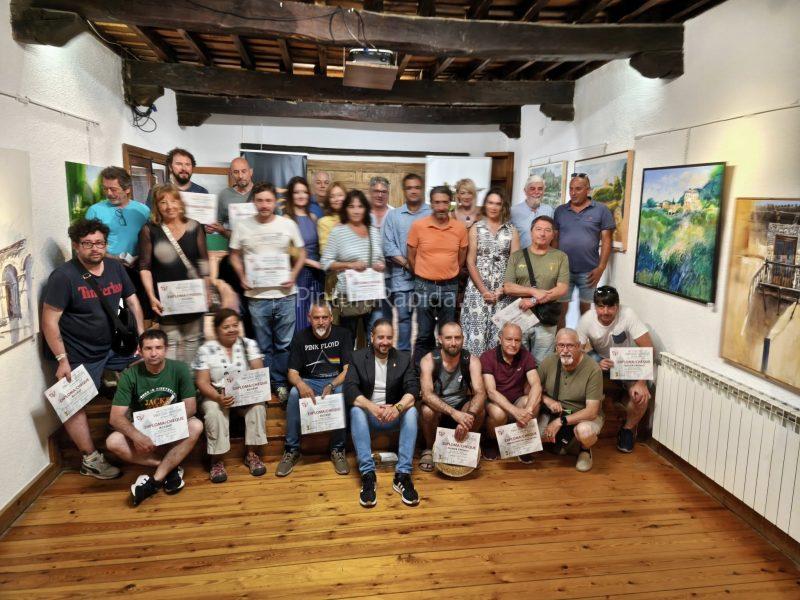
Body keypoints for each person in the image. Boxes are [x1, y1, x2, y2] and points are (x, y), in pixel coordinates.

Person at [42, 218, 145, 479]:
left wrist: (142, 338)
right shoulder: (63, 277)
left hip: (113, 346)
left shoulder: (115, 268)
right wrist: (62, 359)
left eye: (99, 243)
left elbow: (133, 302)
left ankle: (129, 428)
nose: (95, 248)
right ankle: (90, 459)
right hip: (79, 352)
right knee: (72, 401)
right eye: (87, 243)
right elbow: (49, 320)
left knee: (146, 372)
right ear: (76, 245)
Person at [229, 182, 307, 404]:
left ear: (275, 203)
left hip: (285, 294)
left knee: (284, 345)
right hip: (257, 296)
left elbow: (302, 253)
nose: (264, 205)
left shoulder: (288, 224)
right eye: (260, 200)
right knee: (263, 346)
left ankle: (280, 384)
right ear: (254, 201)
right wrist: (242, 275)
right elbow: (233, 255)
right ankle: (263, 387)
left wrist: (293, 274)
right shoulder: (242, 226)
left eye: (268, 201)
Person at [106, 329, 204, 505]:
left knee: (196, 425)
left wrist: (164, 426)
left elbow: (190, 408)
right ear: (140, 350)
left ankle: (155, 481)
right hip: (144, 428)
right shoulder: (129, 375)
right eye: (148, 348)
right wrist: (137, 436)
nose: (153, 353)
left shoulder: (180, 369)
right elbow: (115, 418)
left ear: (166, 349)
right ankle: (170, 468)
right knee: (113, 441)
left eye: (158, 348)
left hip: (173, 424)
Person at [345, 319, 420, 507]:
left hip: (393, 415)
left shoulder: (403, 358)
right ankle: (368, 475)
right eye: (380, 337)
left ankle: (403, 475)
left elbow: (413, 389)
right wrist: (372, 407)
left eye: (389, 337)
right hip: (369, 415)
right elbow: (350, 389)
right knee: (356, 411)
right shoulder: (357, 357)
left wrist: (397, 408)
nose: (385, 342)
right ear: (372, 337)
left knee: (411, 412)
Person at [277, 302, 353, 477]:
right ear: (309, 318)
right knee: (294, 394)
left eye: (325, 317)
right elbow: (292, 373)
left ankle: (338, 449)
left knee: (341, 393)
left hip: (335, 381)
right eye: (316, 318)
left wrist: (332, 385)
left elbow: (348, 370)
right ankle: (291, 450)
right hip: (309, 381)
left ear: (331, 318)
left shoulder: (343, 334)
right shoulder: (300, 337)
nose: (321, 322)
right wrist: (301, 384)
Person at [192, 308, 268, 482]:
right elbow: (202, 382)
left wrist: (251, 391)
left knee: (258, 406)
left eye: (235, 325)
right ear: (217, 329)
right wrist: (218, 397)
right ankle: (217, 460)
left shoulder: (249, 344)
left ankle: (252, 455)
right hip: (216, 394)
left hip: (245, 392)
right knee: (213, 412)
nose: (232, 329)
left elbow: (259, 373)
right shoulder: (205, 349)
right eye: (226, 327)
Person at [576, 285, 654, 453]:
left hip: (625, 360)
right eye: (601, 307)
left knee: (641, 396)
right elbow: (577, 353)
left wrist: (641, 382)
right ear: (594, 307)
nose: (605, 312)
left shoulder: (628, 314)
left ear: (617, 306)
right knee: (585, 368)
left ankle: (627, 429)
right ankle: (588, 420)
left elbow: (648, 348)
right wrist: (595, 365)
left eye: (610, 307)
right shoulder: (586, 319)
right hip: (599, 358)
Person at [138, 183, 209, 365]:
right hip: (166, 300)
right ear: (157, 206)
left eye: (173, 201)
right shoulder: (150, 230)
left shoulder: (195, 226)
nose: (169, 206)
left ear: (180, 202)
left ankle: (189, 382)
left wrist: (207, 290)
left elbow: (203, 263)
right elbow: (144, 266)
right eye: (163, 202)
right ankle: (173, 382)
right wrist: (151, 296)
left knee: (193, 344)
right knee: (170, 346)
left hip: (193, 298)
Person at [407, 186, 469, 365]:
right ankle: (418, 373)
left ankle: (443, 373)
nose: (441, 207)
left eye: (444, 202)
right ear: (431, 203)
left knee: (447, 334)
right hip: (423, 285)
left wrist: (448, 272)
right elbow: (411, 256)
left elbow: (461, 257)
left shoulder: (459, 228)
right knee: (424, 333)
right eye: (437, 202)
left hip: (450, 286)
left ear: (450, 203)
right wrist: (425, 273)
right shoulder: (418, 226)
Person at [85, 166, 151, 322]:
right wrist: (113, 257)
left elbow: (150, 239)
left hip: (136, 270)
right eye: (105, 189)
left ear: (127, 189)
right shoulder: (95, 211)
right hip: (106, 270)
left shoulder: (143, 211)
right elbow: (86, 245)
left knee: (138, 313)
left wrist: (141, 258)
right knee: (109, 315)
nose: (109, 193)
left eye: (113, 189)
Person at [418, 322, 486, 472]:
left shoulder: (472, 360)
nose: (453, 343)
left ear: (463, 339)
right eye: (448, 338)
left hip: (461, 407)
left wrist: (469, 416)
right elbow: (427, 395)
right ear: (440, 339)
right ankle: (429, 449)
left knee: (479, 409)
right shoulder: (429, 360)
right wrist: (454, 413)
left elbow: (480, 392)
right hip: (438, 408)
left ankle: (466, 447)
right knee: (427, 411)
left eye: (457, 338)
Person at [321, 190, 385, 347]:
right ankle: (348, 364)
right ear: (345, 209)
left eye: (360, 206)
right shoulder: (338, 232)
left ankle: (371, 363)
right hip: (348, 296)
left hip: (372, 295)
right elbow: (325, 262)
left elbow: (380, 259)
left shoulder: (373, 231)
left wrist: (380, 265)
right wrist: (350, 265)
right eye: (351, 206)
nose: (356, 210)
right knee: (347, 342)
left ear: (365, 209)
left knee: (375, 339)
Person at [460, 187, 519, 356]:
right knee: (476, 336)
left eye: (498, 204)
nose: (493, 207)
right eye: (490, 203)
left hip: (503, 292)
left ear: (503, 206)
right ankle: (473, 371)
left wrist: (502, 289)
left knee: (498, 335)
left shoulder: (511, 230)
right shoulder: (476, 228)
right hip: (478, 290)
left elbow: (514, 263)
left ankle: (494, 371)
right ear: (485, 205)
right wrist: (484, 290)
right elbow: (470, 262)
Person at [504, 215, 569, 364]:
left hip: (546, 319)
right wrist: (533, 291)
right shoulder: (517, 256)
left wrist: (534, 300)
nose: (542, 233)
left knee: (542, 362)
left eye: (547, 230)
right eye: (538, 229)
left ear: (553, 235)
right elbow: (508, 287)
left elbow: (562, 289)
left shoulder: (560, 257)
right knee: (517, 361)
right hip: (520, 316)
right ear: (531, 232)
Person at [537, 328, 604, 472]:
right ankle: (565, 445)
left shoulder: (593, 369)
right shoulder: (549, 361)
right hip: (556, 412)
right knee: (535, 437)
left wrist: (559, 422)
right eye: (561, 345)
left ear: (579, 346)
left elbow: (592, 412)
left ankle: (585, 450)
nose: (565, 350)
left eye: (570, 346)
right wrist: (547, 400)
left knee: (585, 431)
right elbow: (529, 389)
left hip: (582, 416)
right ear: (556, 347)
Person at [554, 174, 615, 322]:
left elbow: (607, 240)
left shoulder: (601, 210)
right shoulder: (560, 211)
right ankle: (561, 337)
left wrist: (601, 268)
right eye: (571, 189)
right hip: (563, 270)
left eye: (578, 189)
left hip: (589, 271)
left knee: (586, 312)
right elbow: (555, 239)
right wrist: (554, 265)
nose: (573, 193)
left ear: (588, 190)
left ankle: (583, 337)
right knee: (560, 310)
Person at [381, 173, 431, 352]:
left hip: (428, 279)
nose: (413, 191)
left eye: (417, 187)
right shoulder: (393, 215)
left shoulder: (431, 213)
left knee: (426, 322)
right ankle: (403, 359)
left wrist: (423, 268)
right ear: (403, 190)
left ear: (422, 189)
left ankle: (423, 360)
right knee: (403, 319)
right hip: (402, 278)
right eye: (409, 188)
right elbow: (388, 245)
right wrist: (409, 265)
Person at [481, 323, 541, 462]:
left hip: (516, 401)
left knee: (532, 403)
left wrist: (528, 410)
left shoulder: (526, 356)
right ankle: (491, 441)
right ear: (500, 338)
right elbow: (491, 391)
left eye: (517, 340)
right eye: (509, 339)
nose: (513, 344)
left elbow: (536, 384)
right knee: (498, 413)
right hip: (495, 403)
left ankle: (522, 444)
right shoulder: (487, 357)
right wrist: (515, 411)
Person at [284, 176, 324, 333]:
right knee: (301, 318)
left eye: (304, 192)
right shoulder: (286, 219)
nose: (301, 195)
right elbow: (289, 251)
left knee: (318, 319)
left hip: (318, 275)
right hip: (300, 274)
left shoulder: (313, 217)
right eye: (296, 192)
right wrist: (313, 263)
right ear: (291, 195)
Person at [209, 157, 254, 238]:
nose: (240, 176)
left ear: (251, 172)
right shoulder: (224, 195)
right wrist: (211, 228)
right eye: (236, 172)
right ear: (231, 174)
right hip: (234, 244)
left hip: (259, 244)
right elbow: (218, 223)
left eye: (244, 171)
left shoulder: (262, 192)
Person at [511, 175, 555, 249]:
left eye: (540, 189)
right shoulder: (513, 211)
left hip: (545, 255)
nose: (536, 192)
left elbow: (552, 235)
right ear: (525, 191)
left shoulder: (549, 210)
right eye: (532, 189)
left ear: (543, 191)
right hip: (522, 255)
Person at [317, 182, 347, 252]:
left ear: (346, 197)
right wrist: (335, 233)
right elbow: (324, 251)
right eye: (332, 196)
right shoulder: (323, 222)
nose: (336, 199)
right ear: (328, 200)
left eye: (340, 195)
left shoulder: (352, 218)